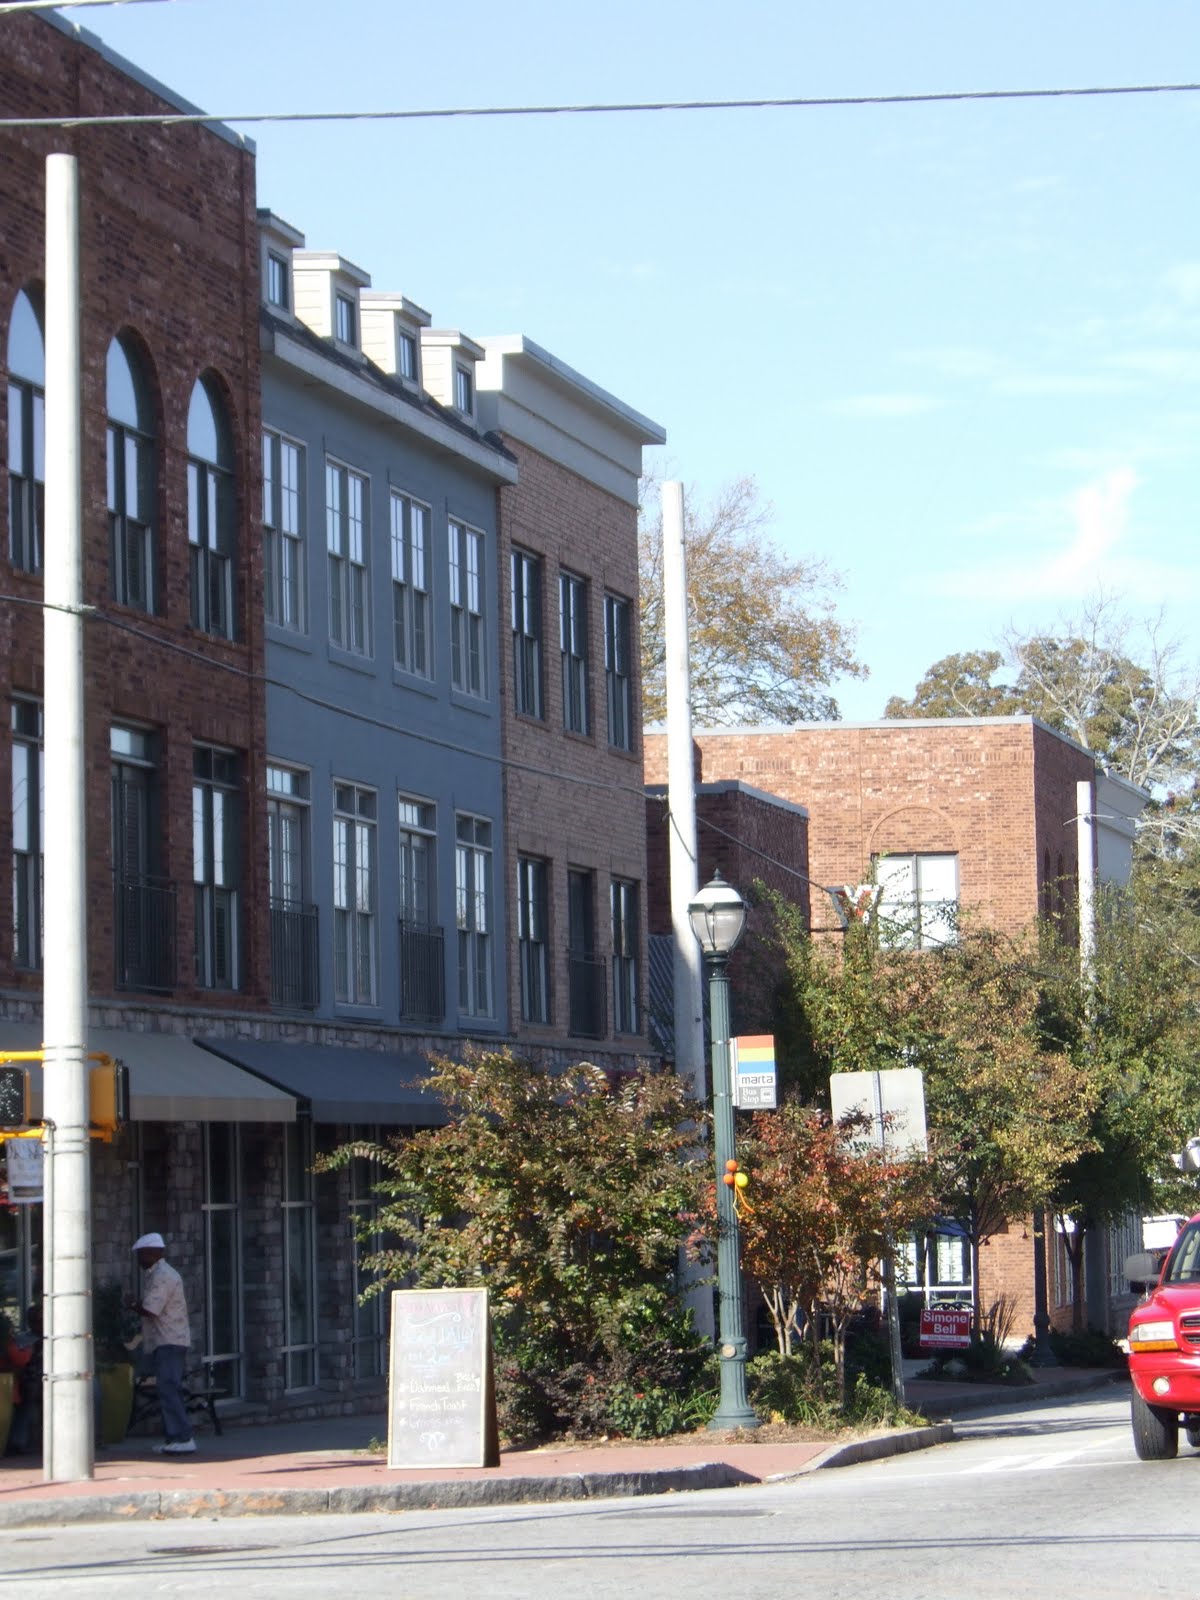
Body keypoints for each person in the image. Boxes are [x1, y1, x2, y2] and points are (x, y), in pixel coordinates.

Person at [127, 1232, 195, 1454]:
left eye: (142, 1255)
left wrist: (132, 1305)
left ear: (155, 1253)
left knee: (168, 1388)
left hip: (169, 1340)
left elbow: (150, 1309)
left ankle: (182, 1437)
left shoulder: (163, 1276)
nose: (140, 1260)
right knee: (167, 1388)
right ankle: (173, 1438)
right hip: (165, 1340)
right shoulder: (158, 1274)